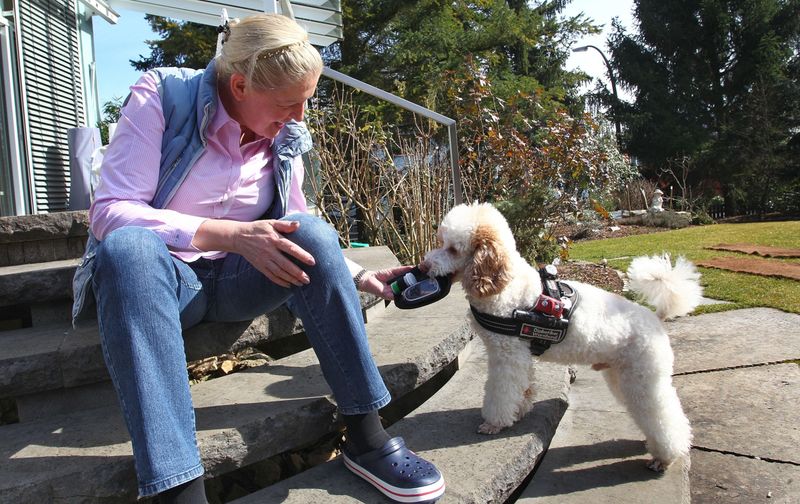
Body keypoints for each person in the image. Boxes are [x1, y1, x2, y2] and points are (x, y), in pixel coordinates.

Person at [71, 13, 445, 504]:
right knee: (128, 247)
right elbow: (111, 212)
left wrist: (359, 274)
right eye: (289, 105)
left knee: (312, 230)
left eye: (306, 102)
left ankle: (367, 434)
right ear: (241, 85)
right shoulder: (162, 95)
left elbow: (295, 222)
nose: (299, 119)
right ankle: (177, 487)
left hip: (234, 283)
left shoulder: (286, 130)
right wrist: (229, 234)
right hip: (159, 280)